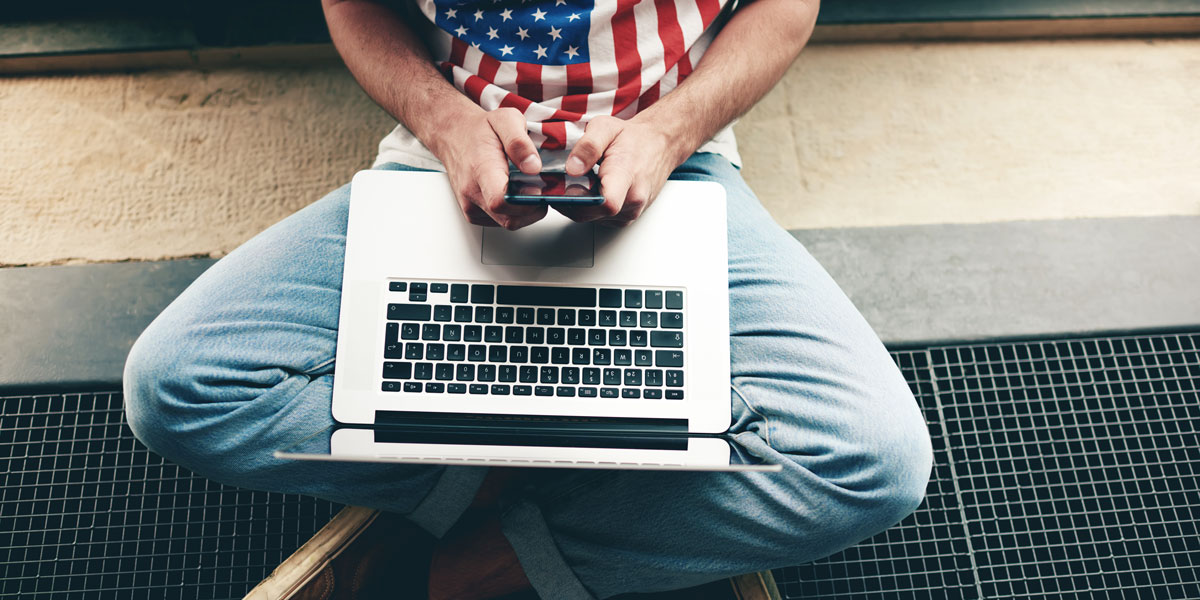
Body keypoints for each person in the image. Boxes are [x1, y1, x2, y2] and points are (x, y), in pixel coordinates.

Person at [122, 0, 933, 598]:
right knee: (175, 386)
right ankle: (512, 491)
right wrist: (446, 123)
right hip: (443, 156)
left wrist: (668, 132)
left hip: (674, 160)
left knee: (873, 461)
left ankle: (485, 561)